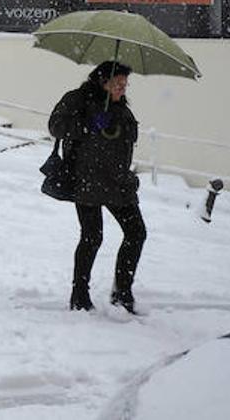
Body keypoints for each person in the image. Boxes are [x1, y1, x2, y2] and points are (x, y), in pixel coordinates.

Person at [48, 60, 146, 314]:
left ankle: (122, 291)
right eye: (118, 83)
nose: (123, 88)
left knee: (136, 232)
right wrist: (87, 125)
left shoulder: (121, 108)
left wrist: (128, 176)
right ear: (102, 82)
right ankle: (79, 295)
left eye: (125, 84)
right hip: (87, 180)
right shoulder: (78, 99)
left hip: (117, 183)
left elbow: (124, 143)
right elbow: (56, 126)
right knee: (92, 237)